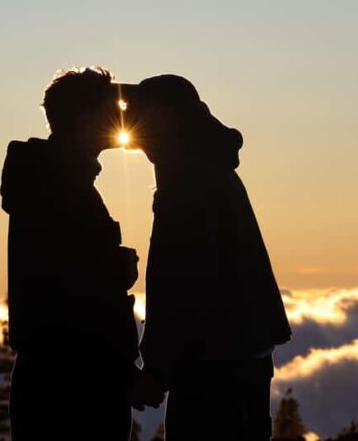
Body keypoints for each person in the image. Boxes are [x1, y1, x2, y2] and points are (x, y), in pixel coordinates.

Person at [124, 75, 292, 441]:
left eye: (139, 115)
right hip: (243, 357)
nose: (132, 128)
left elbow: (183, 283)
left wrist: (157, 371)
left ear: (165, 118)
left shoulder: (187, 184)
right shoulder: (209, 168)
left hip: (212, 369)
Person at [0, 67, 139, 440]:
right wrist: (119, 268)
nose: (121, 117)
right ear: (85, 118)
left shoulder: (50, 180)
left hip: (51, 379)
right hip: (79, 385)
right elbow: (79, 297)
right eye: (110, 108)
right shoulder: (63, 189)